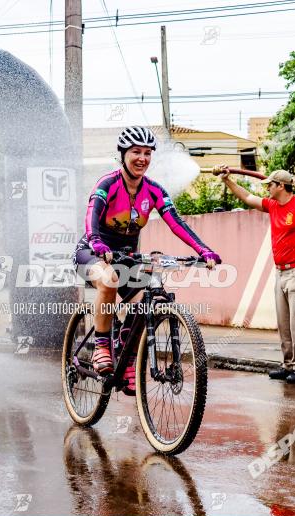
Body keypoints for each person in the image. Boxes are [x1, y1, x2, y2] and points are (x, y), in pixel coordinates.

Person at [73, 126, 221, 395]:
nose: (142, 158)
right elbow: (91, 218)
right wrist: (96, 241)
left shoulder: (153, 191)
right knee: (109, 280)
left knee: (147, 302)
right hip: (93, 252)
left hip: (126, 257)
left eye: (147, 153)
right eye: (135, 152)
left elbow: (177, 223)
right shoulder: (107, 184)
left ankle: (127, 357)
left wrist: (204, 250)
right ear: (123, 155)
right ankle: (103, 345)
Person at [215, 167, 295, 384]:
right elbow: (247, 197)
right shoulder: (272, 206)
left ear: (281, 186)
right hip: (280, 271)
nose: (267, 188)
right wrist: (227, 180)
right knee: (284, 322)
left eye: (270, 184)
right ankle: (288, 364)